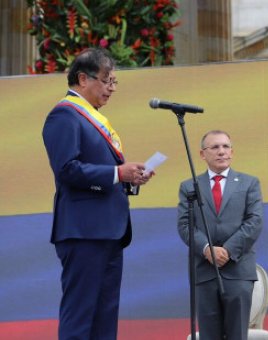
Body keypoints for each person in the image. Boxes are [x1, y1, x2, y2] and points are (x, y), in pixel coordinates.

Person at [42, 48, 153, 339]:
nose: (111, 89)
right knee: (80, 317)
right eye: (106, 81)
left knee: (105, 318)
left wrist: (129, 179)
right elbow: (67, 170)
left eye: (114, 82)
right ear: (82, 78)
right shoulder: (64, 116)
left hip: (109, 230)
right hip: (83, 231)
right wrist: (117, 173)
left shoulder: (92, 118)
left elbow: (104, 172)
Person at [177, 130, 264, 340]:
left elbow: (254, 221)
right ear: (202, 154)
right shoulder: (189, 186)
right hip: (204, 271)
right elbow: (185, 225)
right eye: (215, 147)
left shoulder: (248, 183)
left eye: (225, 147)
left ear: (232, 152)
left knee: (237, 335)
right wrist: (207, 249)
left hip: (238, 270)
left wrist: (226, 250)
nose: (221, 151)